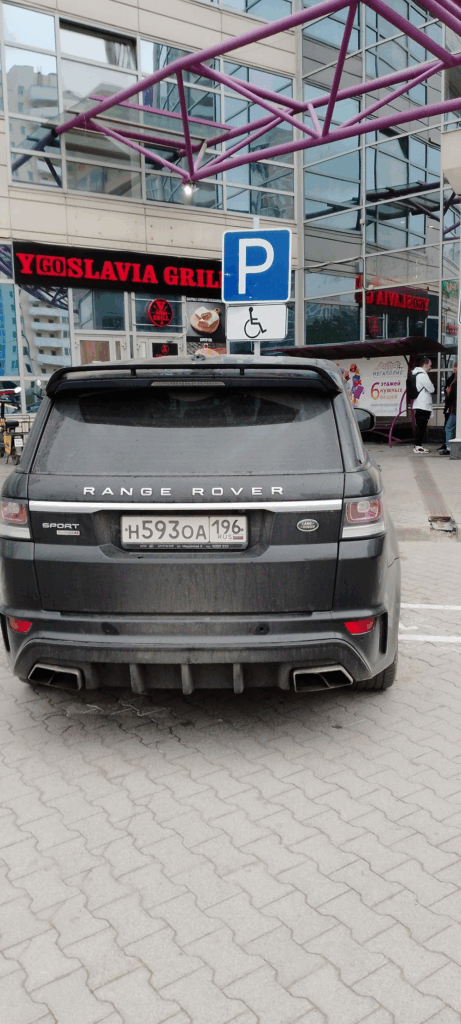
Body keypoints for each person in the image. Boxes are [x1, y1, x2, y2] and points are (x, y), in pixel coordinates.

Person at [412, 355, 435, 454]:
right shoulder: (423, 375)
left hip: (418, 404)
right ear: (425, 364)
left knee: (419, 426)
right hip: (423, 405)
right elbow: (432, 389)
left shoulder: (416, 374)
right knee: (421, 426)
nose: (431, 367)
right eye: (430, 365)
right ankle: (418, 446)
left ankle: (418, 445)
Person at [438, 360, 457, 455]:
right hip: (455, 408)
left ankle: (449, 447)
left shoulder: (454, 381)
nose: (454, 369)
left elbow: (451, 395)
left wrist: (448, 392)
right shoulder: (453, 379)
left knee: (449, 427)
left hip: (454, 408)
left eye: (455, 367)